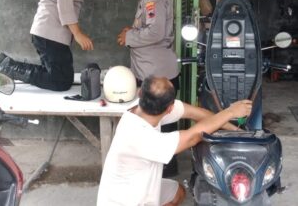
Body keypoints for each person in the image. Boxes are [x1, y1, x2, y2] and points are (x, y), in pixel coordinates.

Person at [96, 76, 252, 206]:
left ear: (140, 93)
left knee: (177, 192)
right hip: (121, 201)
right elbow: (193, 136)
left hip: (140, 185)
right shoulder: (138, 135)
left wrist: (236, 130)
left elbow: (196, 113)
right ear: (169, 108)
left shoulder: (142, 107)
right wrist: (231, 111)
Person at [117, 0, 180, 176]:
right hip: (153, 70)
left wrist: (129, 37)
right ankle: (161, 174)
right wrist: (131, 32)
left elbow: (155, 31)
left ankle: (165, 178)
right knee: (158, 125)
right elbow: (148, 26)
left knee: (161, 126)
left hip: (157, 74)